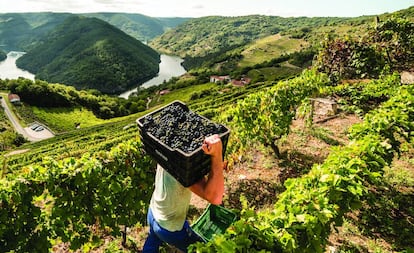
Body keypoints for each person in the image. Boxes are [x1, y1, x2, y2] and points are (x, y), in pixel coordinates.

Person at [143, 134, 225, 253]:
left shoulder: (166, 148)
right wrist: (217, 157)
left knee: (153, 237)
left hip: (153, 212)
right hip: (168, 228)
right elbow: (215, 198)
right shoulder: (183, 168)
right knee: (201, 248)